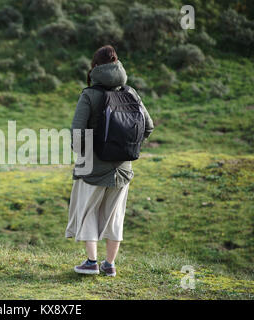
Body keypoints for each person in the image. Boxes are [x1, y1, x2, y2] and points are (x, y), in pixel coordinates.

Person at [65, 45, 154, 277]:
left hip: (92, 167)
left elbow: (77, 132)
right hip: (123, 168)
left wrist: (82, 154)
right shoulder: (131, 93)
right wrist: (127, 147)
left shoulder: (89, 95)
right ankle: (109, 265)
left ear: (95, 67)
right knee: (115, 216)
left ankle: (91, 263)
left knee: (88, 212)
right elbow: (149, 126)